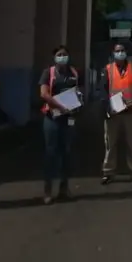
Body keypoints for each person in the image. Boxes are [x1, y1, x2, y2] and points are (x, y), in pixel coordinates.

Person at [39, 45, 82, 205]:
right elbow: (44, 93)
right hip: (52, 119)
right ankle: (48, 190)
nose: (62, 57)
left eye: (65, 54)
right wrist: (60, 106)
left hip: (69, 119)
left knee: (67, 153)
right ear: (54, 57)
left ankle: (64, 188)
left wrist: (76, 104)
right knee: (51, 154)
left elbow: (78, 91)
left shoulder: (74, 73)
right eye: (59, 54)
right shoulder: (48, 73)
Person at [101, 42, 132, 184]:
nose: (120, 53)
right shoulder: (108, 69)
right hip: (113, 112)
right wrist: (107, 108)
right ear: (113, 53)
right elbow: (104, 90)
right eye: (117, 50)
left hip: (130, 111)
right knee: (110, 144)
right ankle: (108, 172)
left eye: (122, 50)